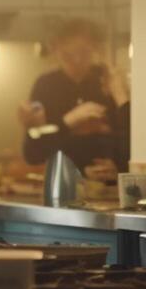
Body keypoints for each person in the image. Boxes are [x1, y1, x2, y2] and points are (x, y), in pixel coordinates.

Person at [17, 17, 130, 179]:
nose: (77, 60)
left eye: (84, 53)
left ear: (95, 49)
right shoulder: (46, 85)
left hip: (108, 184)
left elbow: (130, 141)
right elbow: (33, 152)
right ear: (56, 50)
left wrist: (118, 166)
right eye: (68, 55)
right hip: (63, 182)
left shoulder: (108, 81)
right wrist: (69, 121)